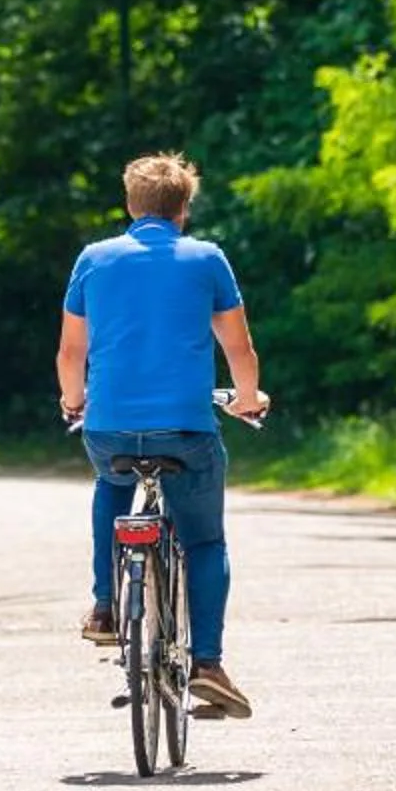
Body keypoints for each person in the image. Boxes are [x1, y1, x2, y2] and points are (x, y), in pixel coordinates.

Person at [56, 153, 270, 718]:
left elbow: (71, 353)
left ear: (131, 205)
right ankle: (207, 664)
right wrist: (248, 399)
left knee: (111, 484)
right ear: (184, 209)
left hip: (108, 427)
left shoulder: (94, 259)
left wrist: (74, 401)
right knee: (204, 542)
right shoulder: (207, 258)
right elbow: (239, 349)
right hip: (187, 429)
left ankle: (105, 606)